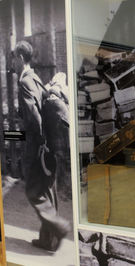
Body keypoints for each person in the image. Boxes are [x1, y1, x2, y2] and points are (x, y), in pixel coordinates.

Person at [12, 40, 70, 251]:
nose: (13, 63)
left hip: (37, 146)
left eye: (13, 58)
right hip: (48, 144)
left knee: (33, 191)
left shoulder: (25, 81)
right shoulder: (37, 78)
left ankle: (59, 227)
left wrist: (39, 143)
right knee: (47, 189)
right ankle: (49, 241)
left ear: (20, 58)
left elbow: (34, 119)